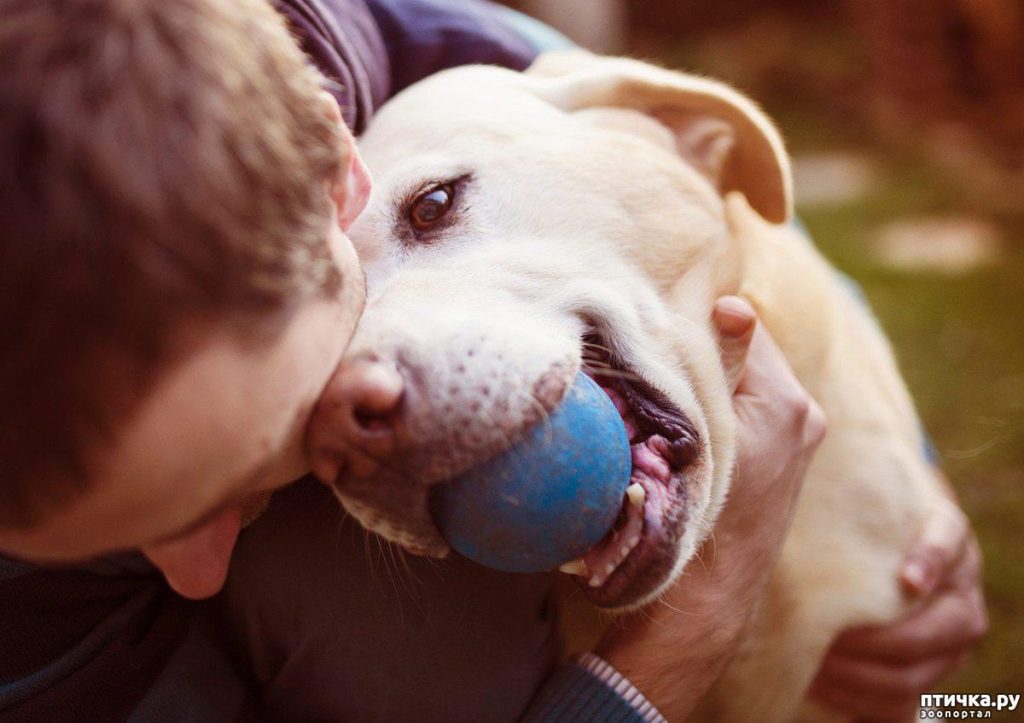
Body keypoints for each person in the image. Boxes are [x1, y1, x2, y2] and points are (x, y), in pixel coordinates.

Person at [0, 0, 984, 720]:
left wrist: (909, 500)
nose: (197, 571)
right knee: (381, 632)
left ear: (335, 176)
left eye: (430, 212)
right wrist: (664, 661)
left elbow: (713, 206)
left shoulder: (476, 68)